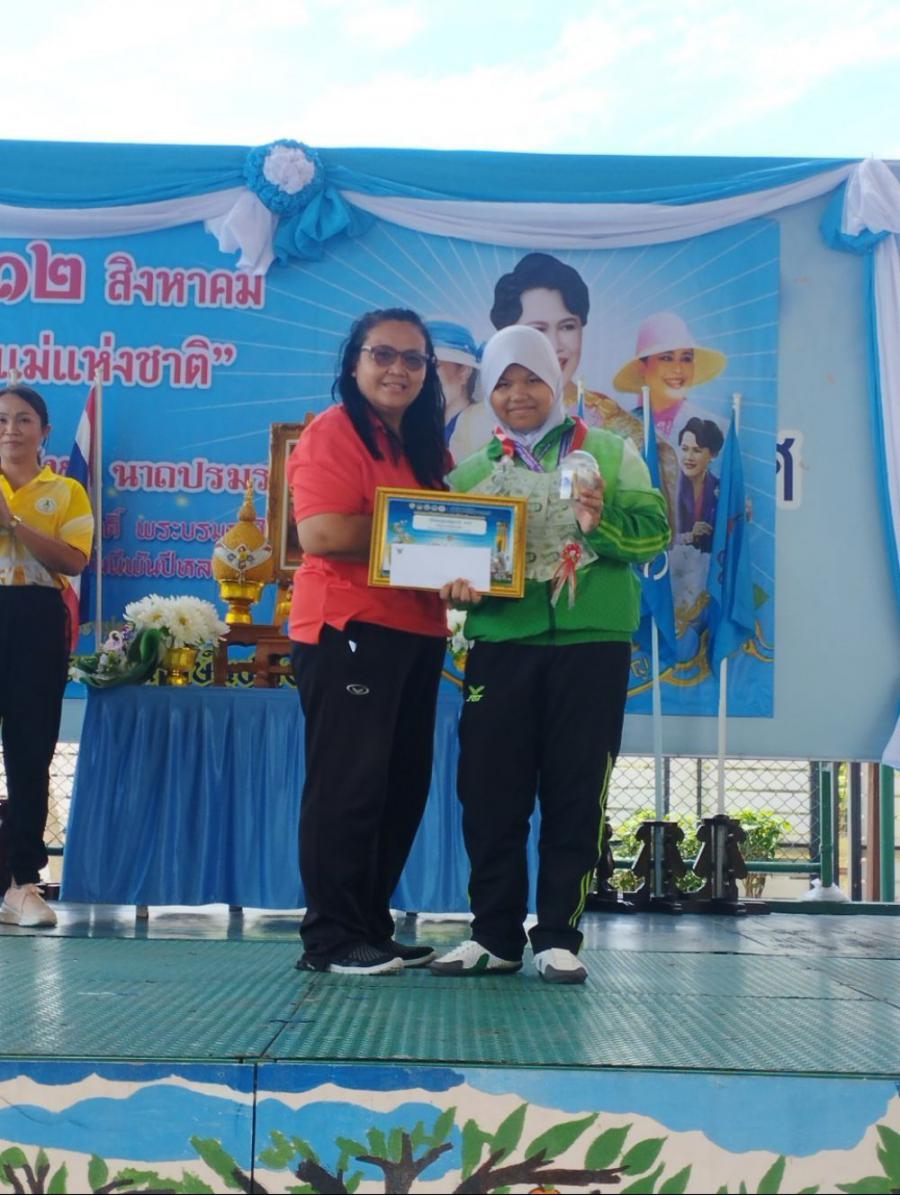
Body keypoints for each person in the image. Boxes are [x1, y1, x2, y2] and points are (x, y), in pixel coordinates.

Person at [429, 326, 669, 984]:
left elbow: (655, 534)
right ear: (487, 391)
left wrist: (602, 523)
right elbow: (453, 564)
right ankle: (494, 935)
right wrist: (454, 587)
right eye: (503, 382)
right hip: (502, 646)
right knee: (489, 795)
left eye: (531, 378)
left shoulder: (612, 453)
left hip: (592, 646)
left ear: (556, 380)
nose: (518, 394)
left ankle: (559, 935)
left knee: (576, 791)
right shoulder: (471, 472)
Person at [287, 309, 449, 976]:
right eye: (383, 354)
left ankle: (369, 928)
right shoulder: (334, 431)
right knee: (348, 786)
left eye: (413, 359)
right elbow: (321, 532)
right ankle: (330, 938)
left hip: (418, 630)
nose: (398, 369)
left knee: (399, 789)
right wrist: (429, 532)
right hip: (348, 627)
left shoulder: (425, 446)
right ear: (354, 362)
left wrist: (461, 553)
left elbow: (460, 543)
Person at [0, 384, 93, 928]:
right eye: (1, 420)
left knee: (30, 752)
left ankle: (21, 885)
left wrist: (13, 523)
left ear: (44, 431)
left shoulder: (66, 491)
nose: (10, 430)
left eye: (23, 420)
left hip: (35, 619)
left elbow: (75, 560)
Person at [490, 252, 642, 442]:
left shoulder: (609, 418)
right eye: (538, 330)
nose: (555, 346)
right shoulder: (480, 419)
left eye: (567, 327)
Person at [425, 319, 486, 458]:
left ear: (464, 372)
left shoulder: (481, 423)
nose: (424, 377)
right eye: (419, 365)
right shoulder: (431, 428)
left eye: (434, 366)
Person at [676, 417, 724, 553]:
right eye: (684, 449)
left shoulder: (720, 488)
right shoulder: (668, 484)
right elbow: (656, 536)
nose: (688, 457)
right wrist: (689, 536)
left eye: (697, 450)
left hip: (707, 562)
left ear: (713, 455)